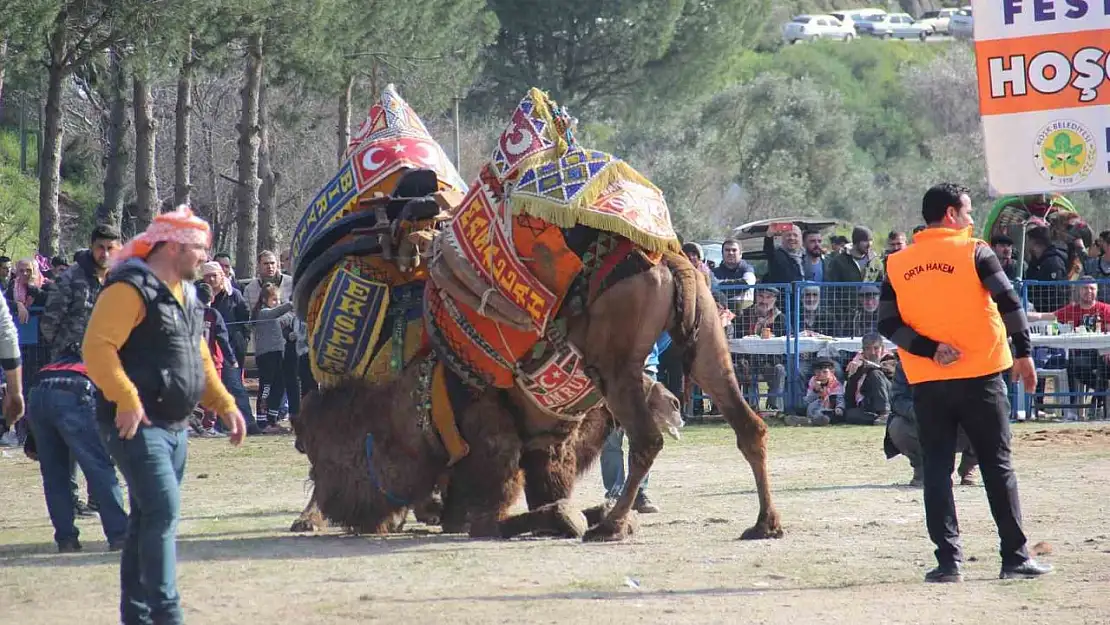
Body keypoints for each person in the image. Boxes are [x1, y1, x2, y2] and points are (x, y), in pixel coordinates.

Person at [879, 182, 1051, 583]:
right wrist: (1024, 353)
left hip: (928, 380)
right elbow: (1009, 302)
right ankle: (1014, 558)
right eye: (969, 211)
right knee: (998, 466)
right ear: (952, 214)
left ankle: (948, 563)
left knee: (937, 470)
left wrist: (928, 349)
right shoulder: (976, 251)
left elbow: (887, 323)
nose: (973, 219)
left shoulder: (897, 263)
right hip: (982, 375)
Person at [82, 207, 247, 625]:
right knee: (162, 512)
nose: (205, 259)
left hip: (175, 427)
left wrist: (225, 404)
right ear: (173, 247)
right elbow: (98, 348)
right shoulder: (129, 289)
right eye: (199, 250)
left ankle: (136, 618)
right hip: (137, 424)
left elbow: (198, 359)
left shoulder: (187, 294)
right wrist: (126, 397)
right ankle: (168, 616)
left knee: (145, 520)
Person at [31, 224, 128, 544]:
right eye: (100, 247)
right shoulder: (71, 278)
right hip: (73, 373)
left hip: (101, 373)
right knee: (85, 463)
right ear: (91, 246)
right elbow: (49, 325)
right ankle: (108, 535)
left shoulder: (119, 280)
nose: (105, 254)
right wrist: (73, 349)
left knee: (89, 460)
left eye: (111, 248)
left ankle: (83, 533)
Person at [601, 332, 671, 514]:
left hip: (646, 370)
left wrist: (651, 354)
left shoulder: (653, 305)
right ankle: (615, 494)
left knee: (642, 437)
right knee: (611, 437)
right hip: (613, 370)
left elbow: (666, 334)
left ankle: (638, 493)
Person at [885, 355, 978, 487]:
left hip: (960, 422)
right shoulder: (907, 362)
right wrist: (918, 412)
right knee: (899, 427)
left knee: (992, 422)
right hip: (923, 420)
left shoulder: (970, 358)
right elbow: (897, 399)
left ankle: (969, 466)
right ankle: (922, 467)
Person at [200, 261, 259, 435]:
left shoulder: (234, 295)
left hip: (228, 348)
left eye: (214, 275)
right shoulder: (198, 294)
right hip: (205, 350)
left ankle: (248, 422)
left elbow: (244, 317)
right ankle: (214, 425)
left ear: (222, 276)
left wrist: (240, 339)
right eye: (207, 276)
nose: (211, 279)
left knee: (234, 386)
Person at [252, 283, 295, 433]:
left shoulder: (276, 316)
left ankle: (273, 419)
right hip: (266, 355)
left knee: (279, 385)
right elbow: (277, 313)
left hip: (278, 353)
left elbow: (286, 319)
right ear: (264, 299)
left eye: (278, 299)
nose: (277, 302)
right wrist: (292, 303)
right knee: (266, 386)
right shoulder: (264, 312)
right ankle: (262, 422)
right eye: (274, 299)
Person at [786, 357, 841, 426]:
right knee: (790, 409)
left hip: (827, 409)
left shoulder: (837, 385)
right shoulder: (813, 380)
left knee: (830, 416)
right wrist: (815, 391)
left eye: (825, 372)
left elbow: (838, 401)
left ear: (832, 371)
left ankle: (809, 421)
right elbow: (808, 400)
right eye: (818, 372)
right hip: (812, 407)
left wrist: (839, 408)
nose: (821, 375)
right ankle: (805, 420)